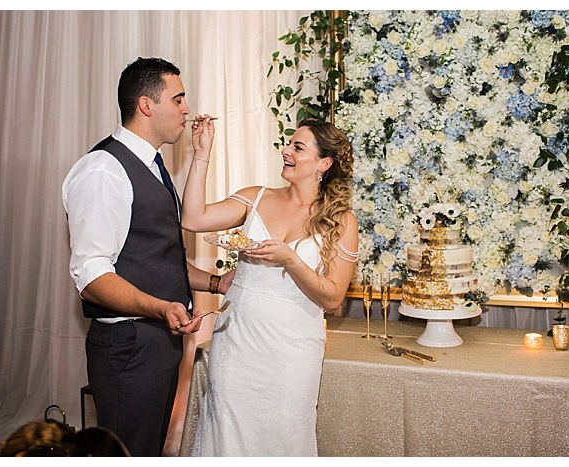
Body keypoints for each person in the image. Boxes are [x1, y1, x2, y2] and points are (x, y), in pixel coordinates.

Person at [62, 57, 230, 456]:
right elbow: (91, 275)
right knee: (127, 452)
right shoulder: (103, 171)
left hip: (156, 343)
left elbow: (155, 256)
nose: (186, 109)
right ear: (146, 105)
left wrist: (213, 283)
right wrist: (160, 308)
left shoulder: (154, 166)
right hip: (128, 346)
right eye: (179, 98)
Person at [181, 117, 358, 456]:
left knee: (284, 435)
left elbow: (333, 296)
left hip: (292, 352)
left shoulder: (342, 221)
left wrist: (290, 259)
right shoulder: (256, 197)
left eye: (297, 147)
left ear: (323, 163)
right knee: (228, 432)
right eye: (288, 144)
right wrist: (201, 155)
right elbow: (193, 219)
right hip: (237, 343)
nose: (285, 150)